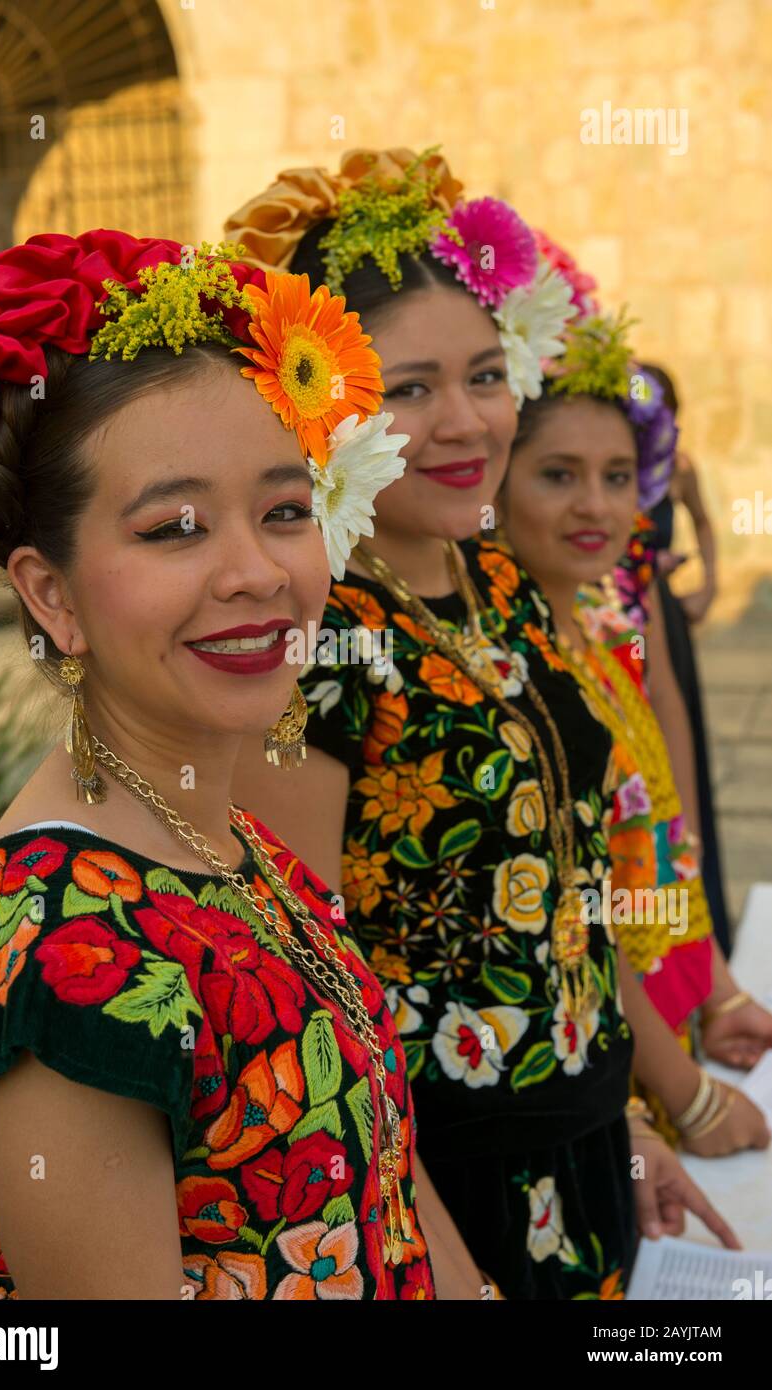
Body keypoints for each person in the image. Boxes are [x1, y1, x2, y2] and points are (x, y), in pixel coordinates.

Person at [227, 151, 737, 1297]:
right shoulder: (317, 639)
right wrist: (438, 1256)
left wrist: (631, 1117)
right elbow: (320, 991)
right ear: (325, 402)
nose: (466, 423)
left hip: (584, 1149)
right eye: (408, 389)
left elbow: (565, 886)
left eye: (484, 375)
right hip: (442, 1194)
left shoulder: (499, 582)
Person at [0, 229, 452, 1300]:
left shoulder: (220, 833)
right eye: (177, 529)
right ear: (51, 593)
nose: (255, 572)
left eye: (285, 511)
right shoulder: (64, 954)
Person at [497, 311, 771, 1157]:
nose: (596, 505)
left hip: (659, 1029)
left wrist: (713, 993)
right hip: (605, 1072)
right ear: (493, 485)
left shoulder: (602, 624)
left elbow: (660, 843)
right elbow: (570, 923)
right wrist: (680, 1100)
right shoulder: (509, 666)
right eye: (557, 475)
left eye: (617, 476)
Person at [637, 362, 731, 957]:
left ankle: (703, 915)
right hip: (627, 605)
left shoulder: (681, 468)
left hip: (663, 613)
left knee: (679, 741)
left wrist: (709, 584)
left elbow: (704, 522)